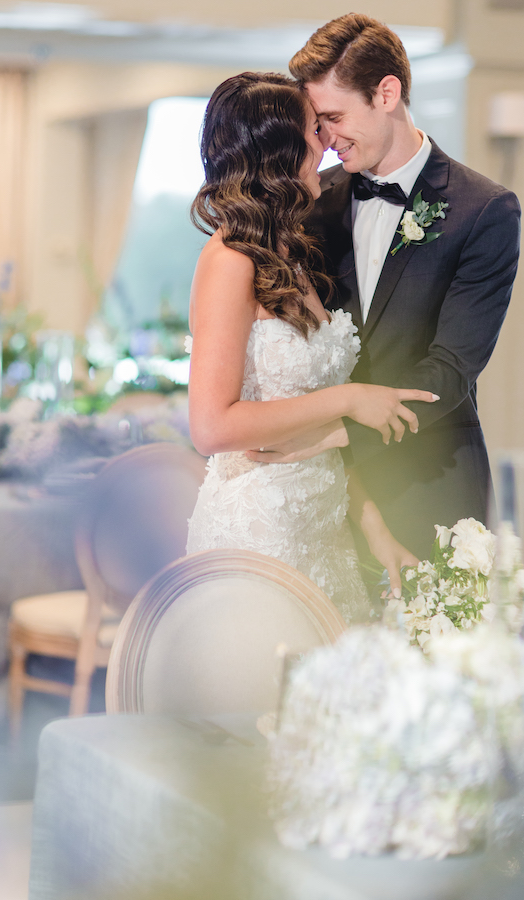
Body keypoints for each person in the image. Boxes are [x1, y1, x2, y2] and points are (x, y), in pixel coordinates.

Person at [252, 14, 521, 560]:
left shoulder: (485, 209)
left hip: (431, 479)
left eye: (332, 116)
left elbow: (451, 368)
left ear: (387, 93)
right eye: (317, 123)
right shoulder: (310, 199)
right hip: (321, 491)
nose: (324, 140)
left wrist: (334, 433)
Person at [184, 72, 438, 622]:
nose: (325, 142)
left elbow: (310, 431)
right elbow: (211, 427)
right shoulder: (229, 262)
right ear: (278, 153)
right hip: (259, 532)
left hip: (323, 532)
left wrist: (373, 530)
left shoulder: (290, 251)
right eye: (312, 130)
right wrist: (348, 400)